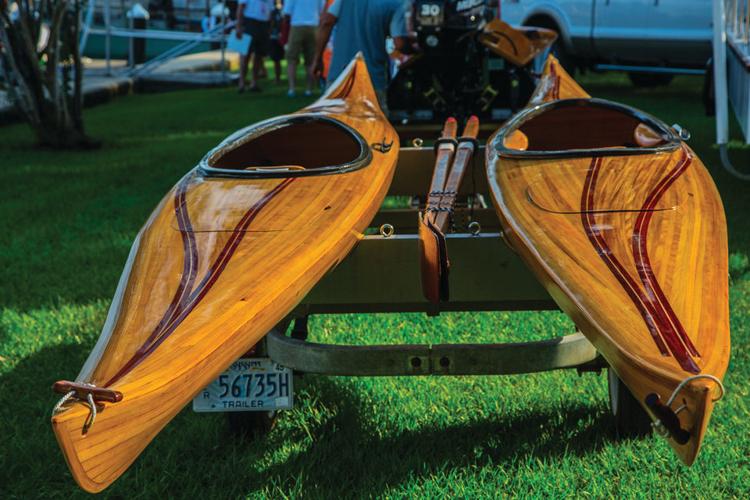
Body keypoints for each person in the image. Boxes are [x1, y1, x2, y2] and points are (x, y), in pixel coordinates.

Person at [311, 0, 412, 109]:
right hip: (372, 79)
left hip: (339, 77)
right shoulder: (397, 3)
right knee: (372, 124)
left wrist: (317, 59)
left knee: (336, 124)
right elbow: (399, 43)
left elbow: (326, 22)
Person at [282, 0, 324, 97]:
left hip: (297, 25)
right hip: (313, 26)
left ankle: (292, 89)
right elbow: (322, 10)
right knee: (311, 60)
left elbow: (287, 12)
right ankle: (309, 89)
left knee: (291, 59)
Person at [236, 0, 274, 92]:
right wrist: (238, 26)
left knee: (259, 55)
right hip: (249, 22)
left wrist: (270, 28)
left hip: (264, 24)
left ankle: (254, 82)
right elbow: (241, 7)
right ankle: (242, 82)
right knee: (245, 55)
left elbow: (271, 11)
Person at [268, 1, 285, 85]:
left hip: (278, 36)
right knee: (276, 58)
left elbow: (271, 23)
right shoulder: (274, 10)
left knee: (277, 58)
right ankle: (277, 77)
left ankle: (278, 78)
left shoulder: (277, 11)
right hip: (277, 36)